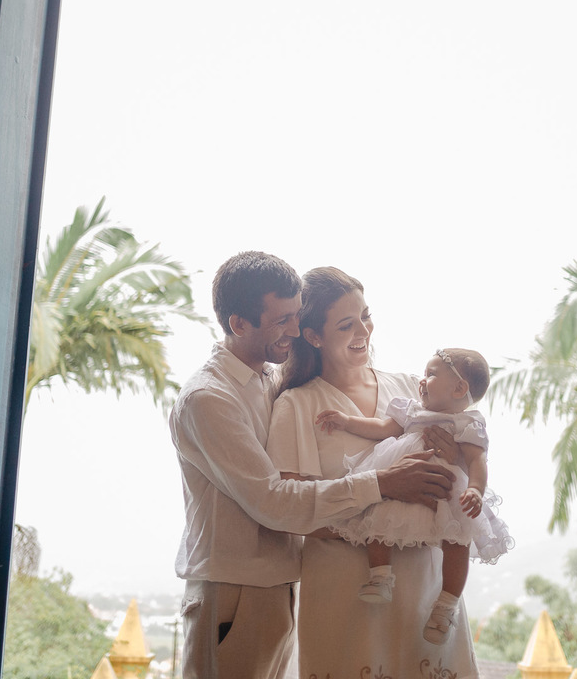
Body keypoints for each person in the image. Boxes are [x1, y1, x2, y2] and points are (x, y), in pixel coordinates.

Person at [169, 252, 454, 679]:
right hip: (235, 590)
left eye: (296, 316)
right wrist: (384, 484)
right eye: (281, 321)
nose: (294, 331)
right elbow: (273, 502)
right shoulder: (210, 399)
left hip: (282, 583)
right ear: (238, 324)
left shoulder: (268, 381)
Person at [266, 267, 481, 678]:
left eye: (366, 315)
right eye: (346, 324)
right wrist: (384, 489)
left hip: (427, 589)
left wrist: (455, 458)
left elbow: (469, 459)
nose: (364, 330)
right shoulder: (296, 406)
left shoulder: (410, 389)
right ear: (313, 336)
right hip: (346, 591)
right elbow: (293, 515)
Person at [318, 347, 513, 644]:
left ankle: (446, 605)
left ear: (459, 388)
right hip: (399, 478)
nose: (422, 380)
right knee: (378, 517)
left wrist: (474, 489)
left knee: (457, 541)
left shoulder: (467, 425)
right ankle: (380, 575)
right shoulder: (410, 410)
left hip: (447, 491)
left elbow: (477, 462)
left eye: (431, 374)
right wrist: (347, 421)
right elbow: (382, 429)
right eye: (424, 373)